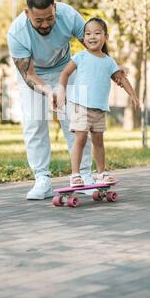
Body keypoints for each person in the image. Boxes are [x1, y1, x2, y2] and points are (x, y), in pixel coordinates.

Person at [7, 0, 125, 200]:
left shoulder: (68, 15)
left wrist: (112, 68)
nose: (45, 24)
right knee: (35, 124)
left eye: (49, 18)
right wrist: (49, 91)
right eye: (39, 20)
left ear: (56, 9)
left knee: (77, 122)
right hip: (35, 78)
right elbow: (28, 74)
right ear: (27, 13)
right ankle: (42, 178)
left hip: (66, 69)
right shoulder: (17, 32)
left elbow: (93, 42)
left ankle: (84, 175)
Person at [56, 17, 140, 187]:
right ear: (84, 38)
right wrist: (61, 92)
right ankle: (75, 175)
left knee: (98, 142)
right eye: (87, 34)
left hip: (99, 109)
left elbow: (121, 79)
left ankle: (101, 173)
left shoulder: (109, 62)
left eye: (96, 33)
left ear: (106, 37)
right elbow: (64, 74)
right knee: (79, 139)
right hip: (80, 106)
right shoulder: (80, 57)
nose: (91, 37)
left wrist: (134, 96)